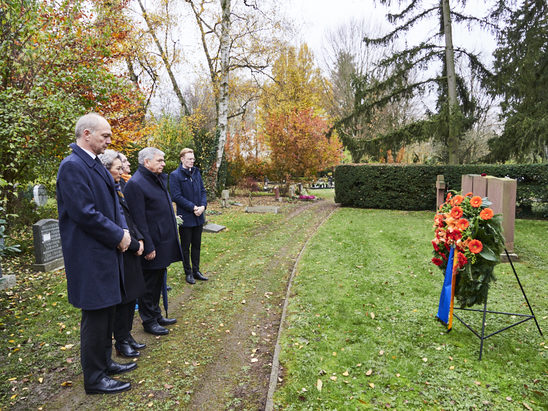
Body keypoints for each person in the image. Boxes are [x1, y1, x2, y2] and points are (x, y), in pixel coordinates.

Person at [56, 113, 136, 395]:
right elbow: (85, 214)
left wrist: (122, 232)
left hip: (105, 253)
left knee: (107, 311)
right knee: (96, 315)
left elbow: (112, 206)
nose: (109, 141)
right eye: (105, 136)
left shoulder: (94, 164)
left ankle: (104, 363)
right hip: (90, 257)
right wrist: (118, 236)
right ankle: (94, 378)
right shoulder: (72, 166)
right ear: (86, 134)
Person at [123, 147, 182, 336]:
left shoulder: (155, 179)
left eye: (163, 160)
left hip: (162, 239)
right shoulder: (137, 183)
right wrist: (148, 245)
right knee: (148, 284)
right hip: (152, 243)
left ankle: (156, 314)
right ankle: (148, 320)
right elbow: (138, 219)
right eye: (160, 160)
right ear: (146, 162)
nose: (163, 164)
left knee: (158, 281)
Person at [99, 150, 146, 357]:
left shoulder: (120, 186)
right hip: (121, 248)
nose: (122, 170)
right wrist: (133, 244)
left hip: (132, 244)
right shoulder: (104, 189)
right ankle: (120, 340)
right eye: (118, 168)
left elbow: (130, 217)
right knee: (123, 298)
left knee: (132, 295)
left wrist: (140, 239)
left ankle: (126, 335)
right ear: (106, 169)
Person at [169, 148, 208, 285]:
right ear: (182, 159)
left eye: (193, 159)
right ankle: (188, 272)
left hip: (198, 216)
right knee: (186, 246)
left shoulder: (196, 173)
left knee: (196, 245)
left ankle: (196, 271)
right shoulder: (175, 175)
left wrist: (203, 206)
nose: (192, 161)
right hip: (186, 216)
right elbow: (176, 196)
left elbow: (203, 191)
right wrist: (193, 207)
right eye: (189, 159)